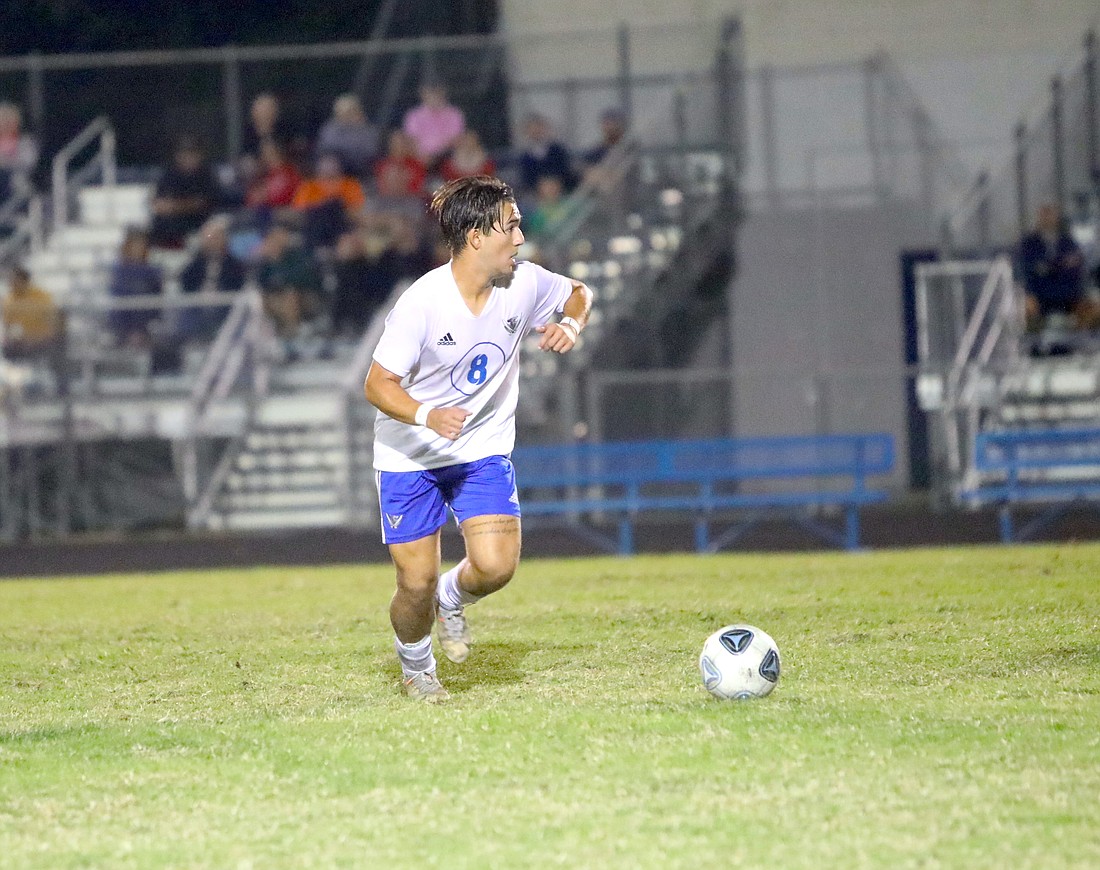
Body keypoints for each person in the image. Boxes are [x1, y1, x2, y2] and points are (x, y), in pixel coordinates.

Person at [364, 175, 593, 702]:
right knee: (414, 584)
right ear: (475, 237)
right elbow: (377, 384)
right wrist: (427, 415)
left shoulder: (525, 284)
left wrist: (571, 326)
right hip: (410, 456)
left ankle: (451, 597)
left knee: (495, 567)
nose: (520, 238)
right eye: (510, 227)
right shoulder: (422, 303)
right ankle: (418, 668)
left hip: (481, 450)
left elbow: (580, 293)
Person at [1018, 203, 1100, 331]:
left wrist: (1049, 267)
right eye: (1044, 214)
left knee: (1093, 308)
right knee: (1026, 308)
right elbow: (1032, 268)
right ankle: (1035, 340)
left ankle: (1079, 337)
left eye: (1051, 214)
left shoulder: (1067, 242)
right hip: (1040, 295)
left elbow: (1075, 268)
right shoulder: (1029, 243)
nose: (1048, 218)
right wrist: (1061, 264)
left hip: (1068, 293)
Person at [178, 214, 247, 341]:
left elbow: (237, 286)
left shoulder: (234, 265)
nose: (211, 241)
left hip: (224, 307)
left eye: (215, 237)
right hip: (197, 307)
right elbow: (185, 282)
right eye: (208, 237)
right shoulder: (196, 263)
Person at [148, 137, 221, 249]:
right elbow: (158, 204)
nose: (187, 158)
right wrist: (167, 206)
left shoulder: (206, 175)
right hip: (167, 233)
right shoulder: (170, 174)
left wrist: (174, 207)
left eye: (191, 154)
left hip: (197, 228)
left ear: (199, 155)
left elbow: (202, 203)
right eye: (183, 154)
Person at [401, 82, 465, 169]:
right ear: (423, 94)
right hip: (419, 156)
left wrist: (436, 154)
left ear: (443, 93)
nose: (433, 96)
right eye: (430, 93)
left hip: (446, 156)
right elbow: (410, 139)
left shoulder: (454, 114)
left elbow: (456, 139)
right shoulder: (413, 115)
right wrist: (421, 154)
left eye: (436, 92)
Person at [315, 93, 379, 179]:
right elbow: (325, 148)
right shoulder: (330, 128)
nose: (346, 116)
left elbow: (370, 152)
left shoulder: (368, 131)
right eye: (341, 112)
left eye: (349, 112)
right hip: (336, 167)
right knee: (327, 163)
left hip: (359, 171)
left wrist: (356, 129)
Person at [2, 266, 60, 361]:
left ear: (24, 281)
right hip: (23, 340)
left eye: (15, 281)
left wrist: (40, 336)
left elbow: (53, 321)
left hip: (43, 339)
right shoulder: (9, 300)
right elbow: (8, 325)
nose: (12, 284)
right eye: (11, 281)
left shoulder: (41, 296)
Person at [516, 113, 574, 194]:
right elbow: (526, 178)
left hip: (561, 191)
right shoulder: (525, 157)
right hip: (536, 194)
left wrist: (553, 184)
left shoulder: (558, 150)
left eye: (538, 128)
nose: (536, 132)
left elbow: (565, 170)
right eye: (532, 129)